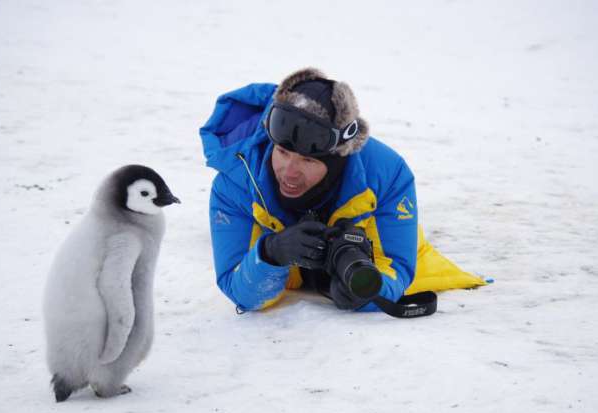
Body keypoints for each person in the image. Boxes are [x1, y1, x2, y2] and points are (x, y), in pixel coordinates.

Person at [200, 68, 485, 313]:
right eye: (283, 152)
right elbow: (237, 288)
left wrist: (359, 292)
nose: (289, 171)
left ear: (338, 158)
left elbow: (398, 267)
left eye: (308, 160)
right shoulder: (235, 182)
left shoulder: (387, 174)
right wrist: (271, 253)